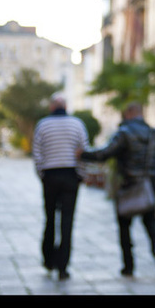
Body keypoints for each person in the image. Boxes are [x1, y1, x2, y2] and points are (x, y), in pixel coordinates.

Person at [79, 102, 155, 277]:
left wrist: (83, 154)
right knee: (151, 222)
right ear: (141, 114)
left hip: (129, 185)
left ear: (128, 114)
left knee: (125, 226)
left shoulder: (124, 133)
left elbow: (104, 153)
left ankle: (128, 265)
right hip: (149, 185)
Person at [32, 95, 89, 281]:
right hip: (70, 176)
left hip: (50, 176)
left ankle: (48, 260)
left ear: (51, 107)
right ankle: (63, 267)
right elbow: (84, 151)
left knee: (49, 218)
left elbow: (37, 153)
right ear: (65, 106)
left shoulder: (43, 124)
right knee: (67, 222)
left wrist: (43, 174)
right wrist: (80, 174)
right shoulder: (77, 124)